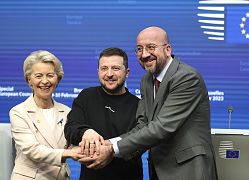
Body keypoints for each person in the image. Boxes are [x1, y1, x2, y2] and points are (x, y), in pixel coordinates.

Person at [79, 26, 218, 180]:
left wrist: (112, 149)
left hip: (188, 169)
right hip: (159, 168)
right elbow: (143, 124)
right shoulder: (147, 80)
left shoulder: (186, 77)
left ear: (167, 49)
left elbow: (162, 127)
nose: (144, 54)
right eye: (139, 49)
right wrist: (107, 144)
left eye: (151, 47)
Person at [64, 47, 143, 180]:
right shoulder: (86, 96)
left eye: (116, 68)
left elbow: (139, 142)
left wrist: (111, 152)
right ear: (98, 72)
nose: (109, 74)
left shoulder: (139, 105)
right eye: (104, 68)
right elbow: (70, 128)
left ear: (127, 72)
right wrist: (85, 132)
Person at [9, 50, 84, 180]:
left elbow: (71, 144)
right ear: (29, 80)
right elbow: (33, 150)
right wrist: (69, 153)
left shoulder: (67, 111)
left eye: (50, 75)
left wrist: (88, 148)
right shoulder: (18, 112)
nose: (45, 81)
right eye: (38, 76)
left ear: (58, 78)